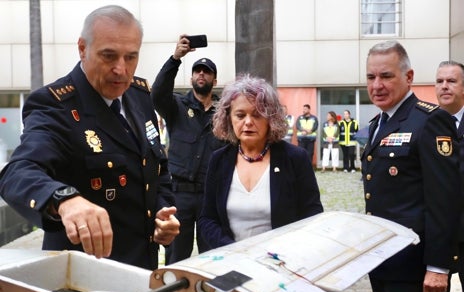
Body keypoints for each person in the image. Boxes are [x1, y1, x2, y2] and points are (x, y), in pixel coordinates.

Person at [0, 5, 180, 270]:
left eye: (131, 57)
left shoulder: (140, 96)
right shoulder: (55, 105)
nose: (121, 69)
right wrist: (63, 199)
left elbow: (156, 170)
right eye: (109, 56)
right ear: (82, 48)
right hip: (82, 278)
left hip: (142, 269)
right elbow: (18, 172)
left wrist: (163, 214)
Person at [361, 40, 460, 292]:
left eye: (386, 76)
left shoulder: (430, 121)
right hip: (385, 262)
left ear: (408, 77)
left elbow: (445, 199)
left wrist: (438, 266)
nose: (377, 85)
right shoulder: (380, 122)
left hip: (416, 267)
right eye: (371, 77)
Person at [198, 74, 323, 248]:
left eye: (257, 115)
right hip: (230, 262)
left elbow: (313, 214)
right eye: (240, 115)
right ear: (229, 118)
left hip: (282, 263)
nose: (248, 122)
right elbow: (207, 218)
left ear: (271, 118)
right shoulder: (219, 160)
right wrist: (232, 249)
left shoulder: (295, 158)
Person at [151, 35, 225, 265]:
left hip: (209, 196)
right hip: (179, 194)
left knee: (210, 255)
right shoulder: (177, 107)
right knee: (176, 255)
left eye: (207, 72)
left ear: (214, 80)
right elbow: (157, 94)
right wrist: (175, 59)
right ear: (192, 77)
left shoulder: (224, 113)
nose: (201, 74)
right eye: (197, 71)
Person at [428, 60, 464, 292]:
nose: (444, 86)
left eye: (451, 81)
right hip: (437, 236)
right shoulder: (426, 125)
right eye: (440, 81)